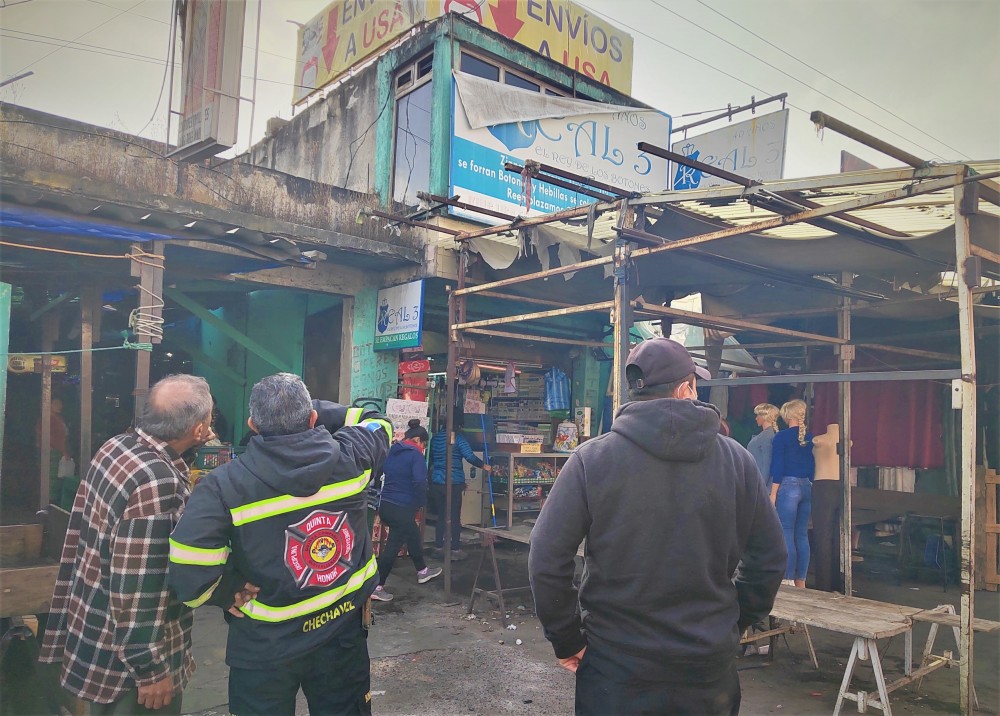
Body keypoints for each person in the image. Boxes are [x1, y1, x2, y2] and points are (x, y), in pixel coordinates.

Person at [528, 338, 786, 716]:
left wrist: (566, 638)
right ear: (685, 389)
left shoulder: (591, 460)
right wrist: (731, 623)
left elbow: (546, 557)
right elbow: (770, 559)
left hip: (616, 667)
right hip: (706, 668)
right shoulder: (738, 461)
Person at [169, 373, 390, 716]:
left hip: (265, 646)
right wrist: (309, 408)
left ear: (253, 425)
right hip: (341, 633)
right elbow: (378, 422)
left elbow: (188, 569)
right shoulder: (353, 457)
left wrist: (226, 591)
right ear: (313, 418)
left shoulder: (224, 486)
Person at [38, 375, 225, 714]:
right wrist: (150, 670)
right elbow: (139, 587)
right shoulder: (157, 483)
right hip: (129, 666)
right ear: (198, 428)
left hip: (95, 630)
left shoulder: (117, 447)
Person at [371, 419, 442, 602]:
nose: (423, 449)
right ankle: (377, 586)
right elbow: (419, 482)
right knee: (392, 547)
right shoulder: (415, 455)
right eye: (424, 445)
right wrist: (421, 501)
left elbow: (380, 474)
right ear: (418, 440)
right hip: (402, 507)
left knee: (412, 534)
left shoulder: (392, 451)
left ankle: (422, 571)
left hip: (385, 504)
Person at [427, 412, 491, 559]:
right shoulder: (459, 439)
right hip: (454, 482)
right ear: (458, 425)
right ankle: (455, 549)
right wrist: (484, 466)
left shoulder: (435, 438)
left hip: (437, 482)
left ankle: (438, 547)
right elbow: (470, 457)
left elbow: (430, 459)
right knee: (455, 516)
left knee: (441, 515)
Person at [770, 399, 815, 588]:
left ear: (787, 415)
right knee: (802, 534)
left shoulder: (781, 437)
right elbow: (812, 466)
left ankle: (787, 579)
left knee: (786, 531)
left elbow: (778, 466)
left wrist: (773, 492)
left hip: (788, 485)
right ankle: (801, 580)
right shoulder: (810, 438)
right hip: (806, 485)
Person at [811, 424, 844, 592]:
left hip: (822, 486)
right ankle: (837, 583)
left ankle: (823, 584)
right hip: (840, 486)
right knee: (837, 535)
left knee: (822, 535)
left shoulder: (819, 440)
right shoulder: (846, 441)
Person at [746, 403, 780, 490]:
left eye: (758, 415)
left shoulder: (767, 437)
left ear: (764, 417)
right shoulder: (768, 435)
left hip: (762, 484)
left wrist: (761, 487)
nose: (756, 418)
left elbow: (767, 464)